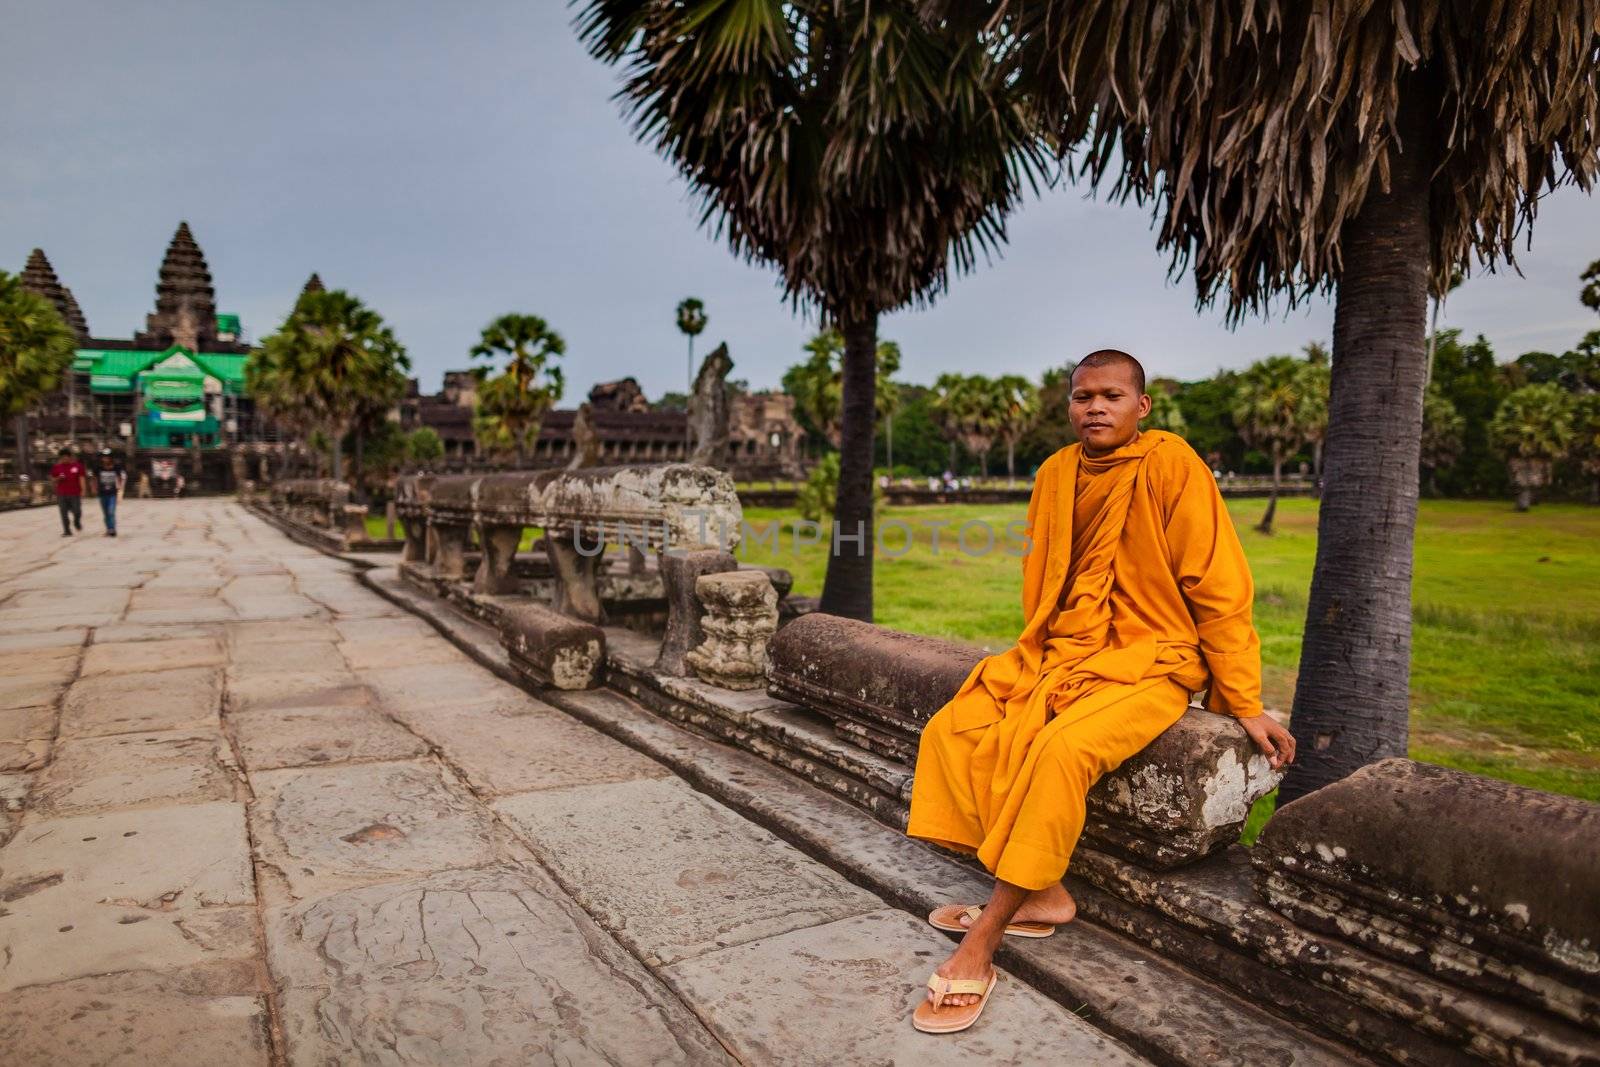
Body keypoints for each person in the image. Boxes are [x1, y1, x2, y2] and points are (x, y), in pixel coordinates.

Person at [906, 350, 1296, 1034]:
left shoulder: (1171, 464)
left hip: (1154, 662)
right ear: (1068, 406)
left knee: (1059, 750)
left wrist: (1242, 699)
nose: (1095, 407)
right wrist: (1044, 653)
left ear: (1141, 407)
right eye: (1083, 396)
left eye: (1112, 395)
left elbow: (1218, 584)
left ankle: (984, 939)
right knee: (956, 726)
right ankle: (1045, 894)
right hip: (1065, 653)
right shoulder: (1057, 472)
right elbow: (1046, 577)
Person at [49, 446, 88, 537]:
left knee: (77, 511)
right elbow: (52, 479)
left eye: (66, 457)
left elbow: (81, 479)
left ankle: (76, 522)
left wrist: (83, 490)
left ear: (70, 457)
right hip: (62, 493)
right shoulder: (57, 467)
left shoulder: (78, 466)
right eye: (62, 458)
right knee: (63, 512)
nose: (64, 459)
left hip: (75, 493)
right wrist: (58, 478)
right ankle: (67, 530)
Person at [94, 449, 127, 537]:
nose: (106, 459)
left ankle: (112, 529)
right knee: (105, 513)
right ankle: (108, 529)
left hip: (112, 493)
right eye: (104, 457)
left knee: (111, 511)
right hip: (102, 493)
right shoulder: (98, 468)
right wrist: (95, 487)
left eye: (108, 457)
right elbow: (95, 478)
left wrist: (119, 486)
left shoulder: (116, 467)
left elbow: (120, 477)